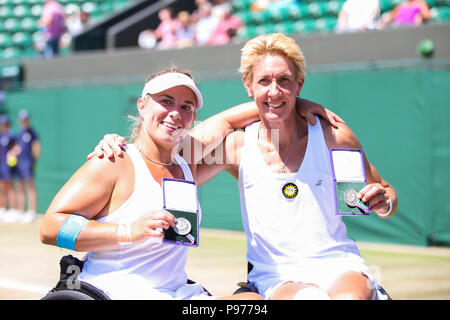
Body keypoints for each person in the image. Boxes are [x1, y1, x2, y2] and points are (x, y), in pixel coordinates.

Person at [94, 33, 398, 300]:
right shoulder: (236, 147)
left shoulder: (334, 134)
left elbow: (386, 194)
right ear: (247, 85)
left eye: (284, 81)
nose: (274, 90)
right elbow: (170, 158)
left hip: (338, 264)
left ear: (299, 84)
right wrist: (119, 147)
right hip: (275, 275)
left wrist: (383, 202)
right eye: (264, 81)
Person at [40, 67, 265, 300]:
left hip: (176, 293)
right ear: (142, 106)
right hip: (114, 291)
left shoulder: (186, 160)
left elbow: (228, 121)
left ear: (193, 118)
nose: (175, 113)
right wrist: (128, 231)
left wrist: (295, 105)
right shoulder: (115, 160)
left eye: (186, 107)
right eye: (166, 101)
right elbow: (50, 228)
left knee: (251, 302)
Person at [14, 109, 41, 224]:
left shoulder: (32, 132)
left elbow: (36, 148)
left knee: (30, 186)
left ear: (28, 119)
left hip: (29, 162)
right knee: (20, 186)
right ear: (20, 120)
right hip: (19, 162)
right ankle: (21, 211)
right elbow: (18, 147)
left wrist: (34, 161)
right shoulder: (19, 133)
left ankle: (31, 212)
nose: (24, 121)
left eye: (26, 119)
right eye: (22, 119)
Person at [0, 114, 19, 223]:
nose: (4, 125)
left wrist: (12, 153)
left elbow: (17, 147)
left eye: (6, 123)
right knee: (1, 187)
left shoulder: (11, 135)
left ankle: (13, 210)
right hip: (1, 164)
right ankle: (2, 209)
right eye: (2, 123)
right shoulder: (1, 135)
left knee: (10, 187)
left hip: (8, 165)